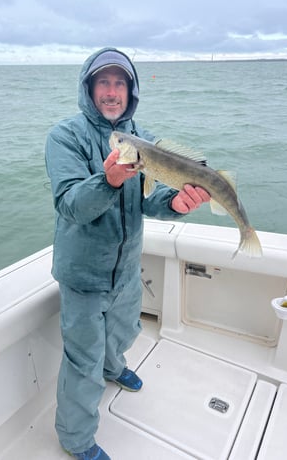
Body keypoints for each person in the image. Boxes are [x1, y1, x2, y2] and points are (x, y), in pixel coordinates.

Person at [45, 47, 210, 460]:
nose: (112, 91)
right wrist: (109, 179)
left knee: (122, 333)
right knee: (82, 362)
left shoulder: (144, 139)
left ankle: (114, 368)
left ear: (131, 90)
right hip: (83, 274)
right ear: (89, 87)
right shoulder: (64, 136)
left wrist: (176, 203)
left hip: (126, 270)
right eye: (104, 82)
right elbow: (70, 205)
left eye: (120, 82)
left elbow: (149, 200)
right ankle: (76, 440)